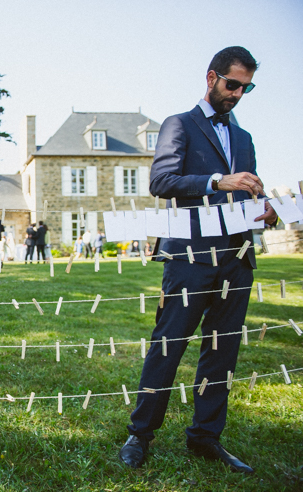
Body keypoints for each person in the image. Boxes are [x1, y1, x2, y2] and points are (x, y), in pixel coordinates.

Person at [119, 46, 277, 474]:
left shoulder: (244, 139)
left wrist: (268, 210)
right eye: (233, 84)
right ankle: (141, 434)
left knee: (221, 353)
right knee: (168, 346)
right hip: (189, 255)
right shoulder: (179, 124)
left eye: (246, 87)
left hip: (237, 258)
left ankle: (206, 438)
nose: (238, 94)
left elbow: (251, 196)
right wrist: (216, 180)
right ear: (212, 78)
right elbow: (161, 180)